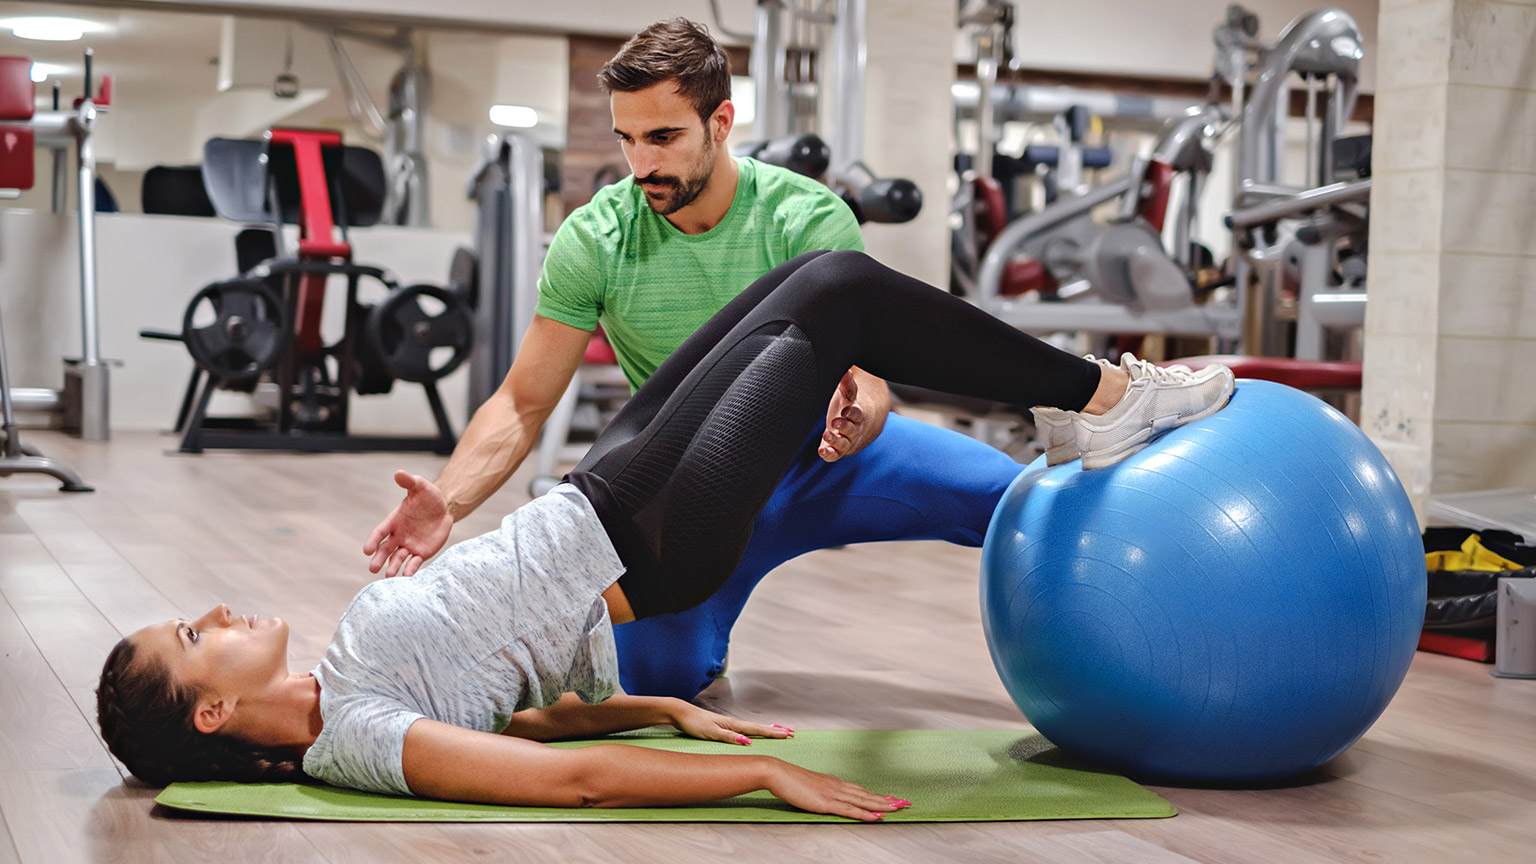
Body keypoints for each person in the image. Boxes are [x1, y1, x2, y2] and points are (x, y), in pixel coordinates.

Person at [97, 250, 1233, 818]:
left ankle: (1078, 401)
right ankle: (1097, 399)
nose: (218, 615)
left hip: (594, 503)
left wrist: (658, 703)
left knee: (807, 277)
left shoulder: (347, 685)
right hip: (649, 544)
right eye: (195, 637)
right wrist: (757, 788)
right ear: (211, 710)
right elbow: (566, 780)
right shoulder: (353, 741)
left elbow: (521, 712)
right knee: (837, 295)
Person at [361, 18, 1029, 700]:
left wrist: (863, 410)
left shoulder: (805, 217)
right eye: (627, 140)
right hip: (695, 491)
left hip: (824, 463)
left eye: (663, 137)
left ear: (721, 122)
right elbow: (521, 402)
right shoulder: (594, 239)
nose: (642, 164)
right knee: (657, 680)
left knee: (1023, 503)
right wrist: (451, 497)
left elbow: (869, 381)